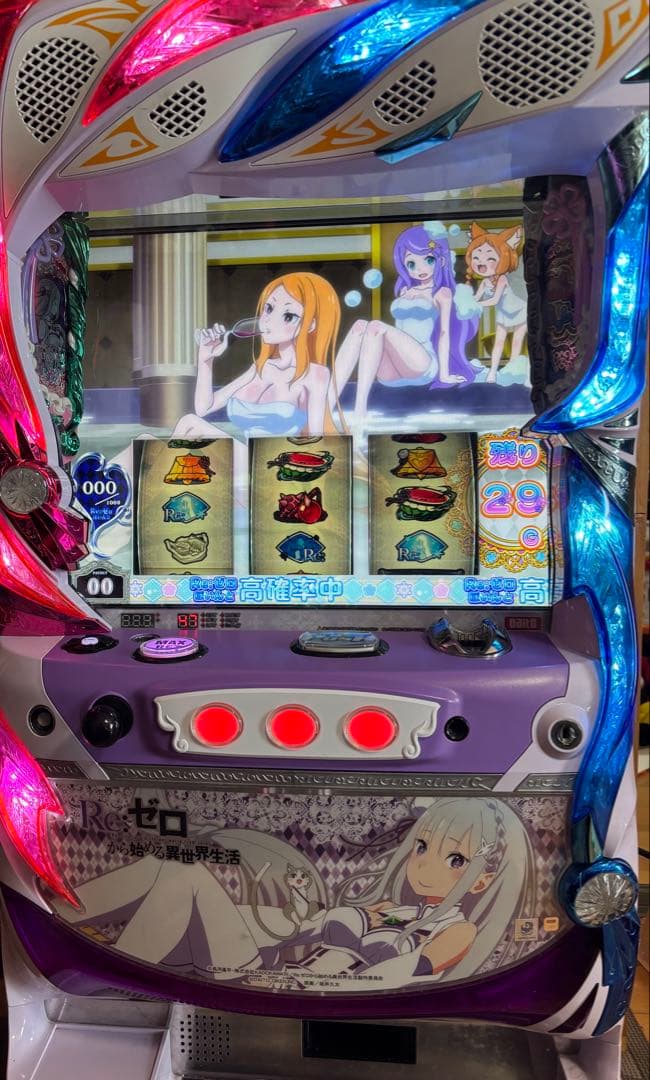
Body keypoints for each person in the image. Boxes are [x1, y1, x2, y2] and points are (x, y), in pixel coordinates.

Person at [52, 797, 533, 991]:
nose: (425, 865)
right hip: (263, 969)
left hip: (275, 982)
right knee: (168, 864)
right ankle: (59, 918)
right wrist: (293, 910)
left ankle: (101, 964)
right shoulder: (388, 906)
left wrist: (296, 984)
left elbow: (393, 976)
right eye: (422, 848)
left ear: (483, 879)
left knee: (186, 874)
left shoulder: (457, 931)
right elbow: (295, 930)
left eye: (455, 860)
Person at [332, 223, 480, 423]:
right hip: (393, 372)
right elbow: (395, 339)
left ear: (441, 259)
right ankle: (329, 402)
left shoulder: (441, 293)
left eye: (428, 259)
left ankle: (360, 410)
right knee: (360, 325)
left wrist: (444, 374)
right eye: (411, 263)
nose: (420, 269)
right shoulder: (404, 291)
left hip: (423, 364)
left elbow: (444, 334)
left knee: (375, 327)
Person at [173, 271, 342, 439]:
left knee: (190, 425)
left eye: (288, 316)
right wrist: (206, 360)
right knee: (189, 422)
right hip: (243, 450)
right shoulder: (260, 368)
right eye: (269, 309)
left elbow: (316, 437)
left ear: (310, 325)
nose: (269, 321)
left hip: (278, 452)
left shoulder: (315, 374)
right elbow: (204, 408)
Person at [465, 222, 529, 385]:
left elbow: (494, 300)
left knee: (516, 342)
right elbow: (476, 297)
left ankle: (514, 371)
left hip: (520, 310)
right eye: (477, 257)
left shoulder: (502, 279)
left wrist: (478, 305)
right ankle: (492, 372)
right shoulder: (485, 282)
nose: (482, 262)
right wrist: (466, 303)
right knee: (499, 343)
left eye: (490, 258)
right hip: (504, 313)